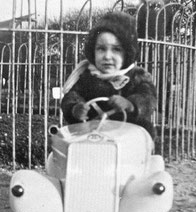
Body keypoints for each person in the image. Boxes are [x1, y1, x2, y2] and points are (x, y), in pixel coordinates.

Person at [61, 11, 157, 139]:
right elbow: (72, 96)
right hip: (93, 136)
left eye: (116, 49)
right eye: (101, 48)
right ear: (92, 51)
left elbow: (148, 98)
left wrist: (131, 104)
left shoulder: (137, 76)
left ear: (127, 53)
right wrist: (75, 109)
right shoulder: (87, 77)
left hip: (130, 136)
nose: (107, 56)